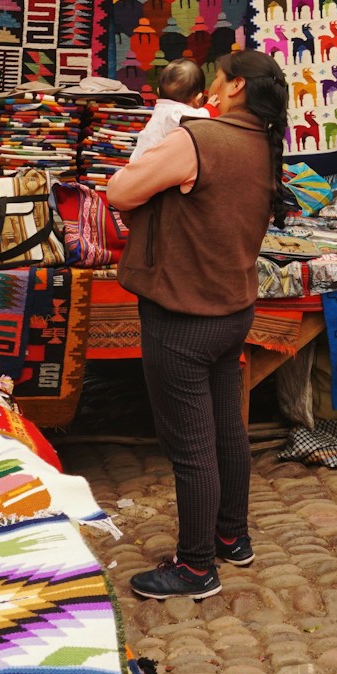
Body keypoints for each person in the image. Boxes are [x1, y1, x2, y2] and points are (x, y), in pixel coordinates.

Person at [105, 49, 294, 600]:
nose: (211, 85)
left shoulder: (200, 139)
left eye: (218, 77)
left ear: (235, 87)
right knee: (227, 431)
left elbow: (120, 192)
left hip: (182, 315)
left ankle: (195, 568)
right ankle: (232, 537)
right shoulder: (264, 142)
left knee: (191, 445)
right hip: (232, 309)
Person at [129, 58, 210, 162]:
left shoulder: (160, 109)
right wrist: (210, 107)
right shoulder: (176, 113)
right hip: (152, 168)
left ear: (158, 91)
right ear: (198, 99)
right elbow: (201, 119)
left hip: (138, 163)